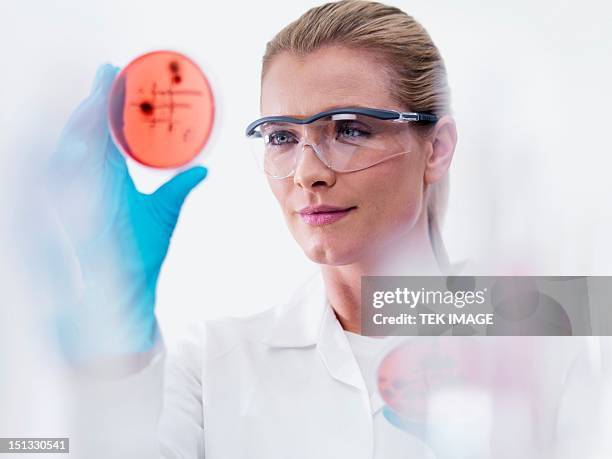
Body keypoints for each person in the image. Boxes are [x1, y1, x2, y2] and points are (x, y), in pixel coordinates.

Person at [46, 1, 596, 458]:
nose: (309, 173)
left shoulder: (553, 329)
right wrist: (111, 326)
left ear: (438, 148)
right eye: (282, 137)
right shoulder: (212, 364)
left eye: (350, 130)